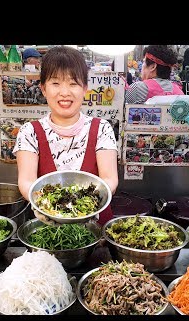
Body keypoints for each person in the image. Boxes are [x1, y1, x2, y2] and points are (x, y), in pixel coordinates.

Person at [13, 46, 118, 226]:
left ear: (85, 88)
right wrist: (52, 208)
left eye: (73, 83)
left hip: (96, 231)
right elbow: (26, 181)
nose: (64, 92)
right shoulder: (29, 132)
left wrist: (82, 206)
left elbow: (110, 179)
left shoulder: (102, 128)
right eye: (55, 83)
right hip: (46, 230)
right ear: (43, 89)